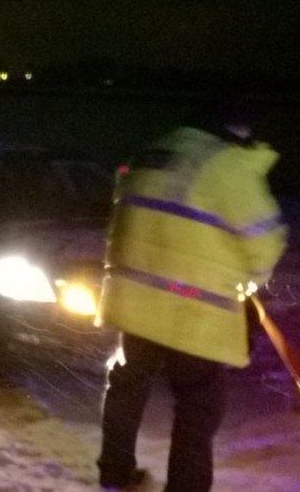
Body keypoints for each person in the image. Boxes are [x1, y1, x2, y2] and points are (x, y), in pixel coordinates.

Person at [97, 98, 288, 491]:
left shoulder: (152, 151)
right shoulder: (227, 165)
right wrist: (250, 281)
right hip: (194, 313)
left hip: (134, 301)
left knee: (127, 387)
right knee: (198, 407)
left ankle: (114, 476)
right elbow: (265, 242)